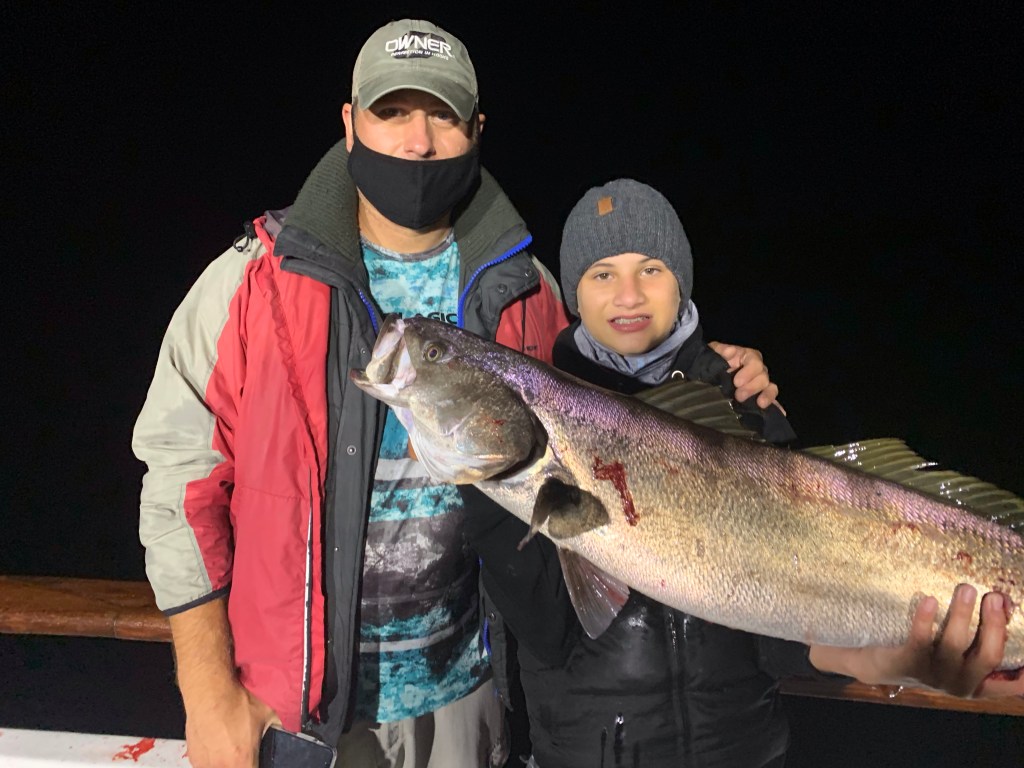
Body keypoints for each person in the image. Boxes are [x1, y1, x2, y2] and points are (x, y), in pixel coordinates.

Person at [132, 21, 778, 768]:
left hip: (468, 702)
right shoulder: (253, 281)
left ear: (475, 130)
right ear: (349, 122)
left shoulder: (529, 290)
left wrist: (719, 372)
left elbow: (615, 419)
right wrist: (209, 695)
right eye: (392, 112)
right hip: (289, 710)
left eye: (442, 116)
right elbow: (180, 483)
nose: (418, 141)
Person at [465, 179, 1021, 767]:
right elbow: (547, 631)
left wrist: (887, 658)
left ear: (681, 282)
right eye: (602, 274)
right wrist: (486, 482)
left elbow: (780, 637)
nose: (628, 294)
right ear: (575, 293)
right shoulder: (538, 414)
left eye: (651, 269)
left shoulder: (741, 404)